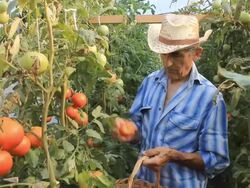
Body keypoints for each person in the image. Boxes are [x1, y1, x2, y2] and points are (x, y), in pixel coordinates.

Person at [114, 14, 230, 188]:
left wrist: (175, 156)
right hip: (143, 183)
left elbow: (217, 159)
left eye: (176, 55)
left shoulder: (210, 98)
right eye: (163, 54)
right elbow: (138, 129)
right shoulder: (150, 83)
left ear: (196, 53)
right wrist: (129, 131)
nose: (167, 63)